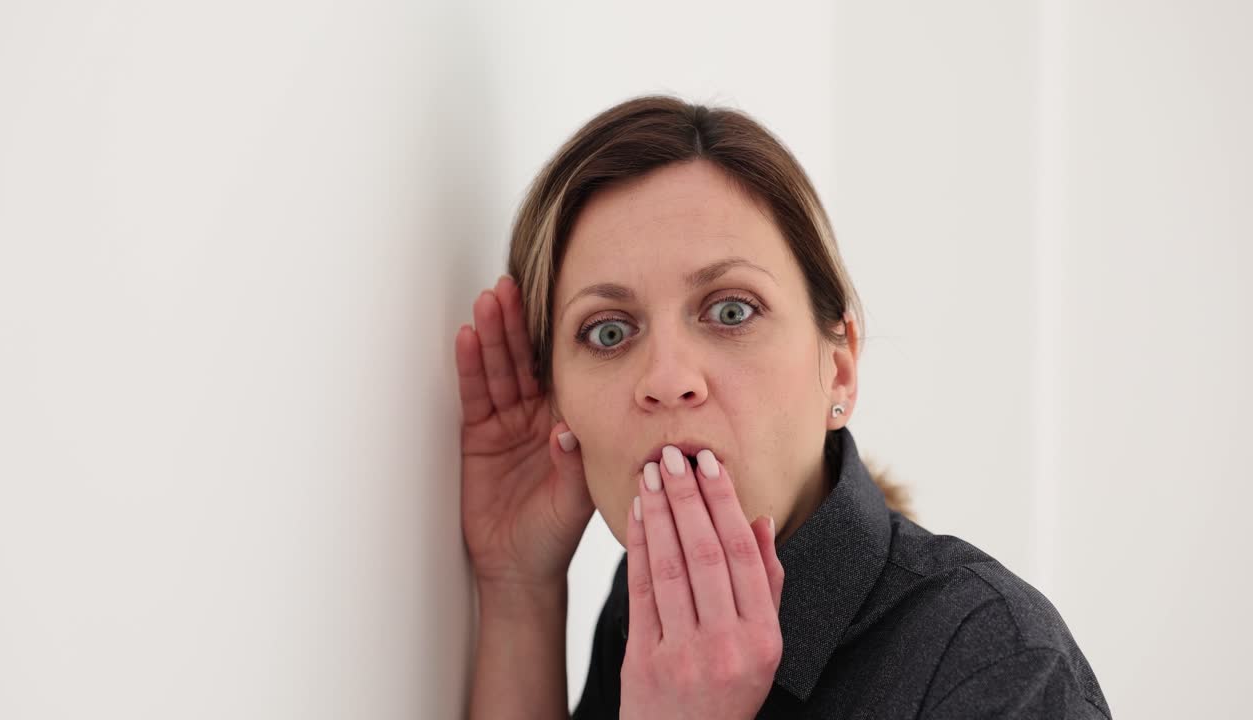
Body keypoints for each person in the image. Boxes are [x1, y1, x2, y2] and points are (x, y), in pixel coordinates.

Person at [456, 95, 1111, 719]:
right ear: (560, 403)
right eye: (608, 331)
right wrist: (519, 589)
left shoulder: (999, 664)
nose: (666, 378)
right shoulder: (649, 602)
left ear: (840, 368)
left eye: (731, 311)